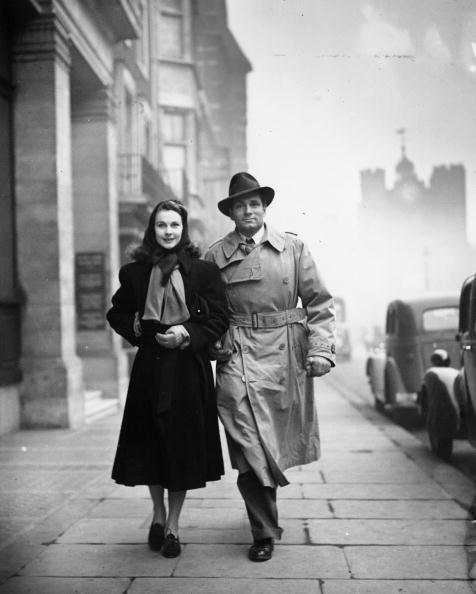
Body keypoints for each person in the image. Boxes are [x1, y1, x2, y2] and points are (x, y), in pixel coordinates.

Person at [205, 172, 336, 562]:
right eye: (241, 205)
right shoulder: (214, 256)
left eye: (255, 204)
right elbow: (205, 309)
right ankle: (263, 531)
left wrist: (321, 350)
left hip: (284, 356)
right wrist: (213, 339)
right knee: (247, 443)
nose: (249, 211)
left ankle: (264, 515)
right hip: (238, 358)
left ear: (265, 209)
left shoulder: (294, 248)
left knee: (271, 443)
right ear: (231, 213)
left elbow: (320, 303)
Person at [107, 199, 228, 558]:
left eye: (175, 225)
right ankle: (157, 516)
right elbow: (117, 311)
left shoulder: (203, 272)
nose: (169, 232)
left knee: (181, 445)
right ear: (152, 230)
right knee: (151, 443)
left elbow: (218, 318)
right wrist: (138, 330)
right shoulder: (133, 273)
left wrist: (186, 334)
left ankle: (173, 525)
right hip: (150, 367)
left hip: (187, 369)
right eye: (162, 225)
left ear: (183, 229)